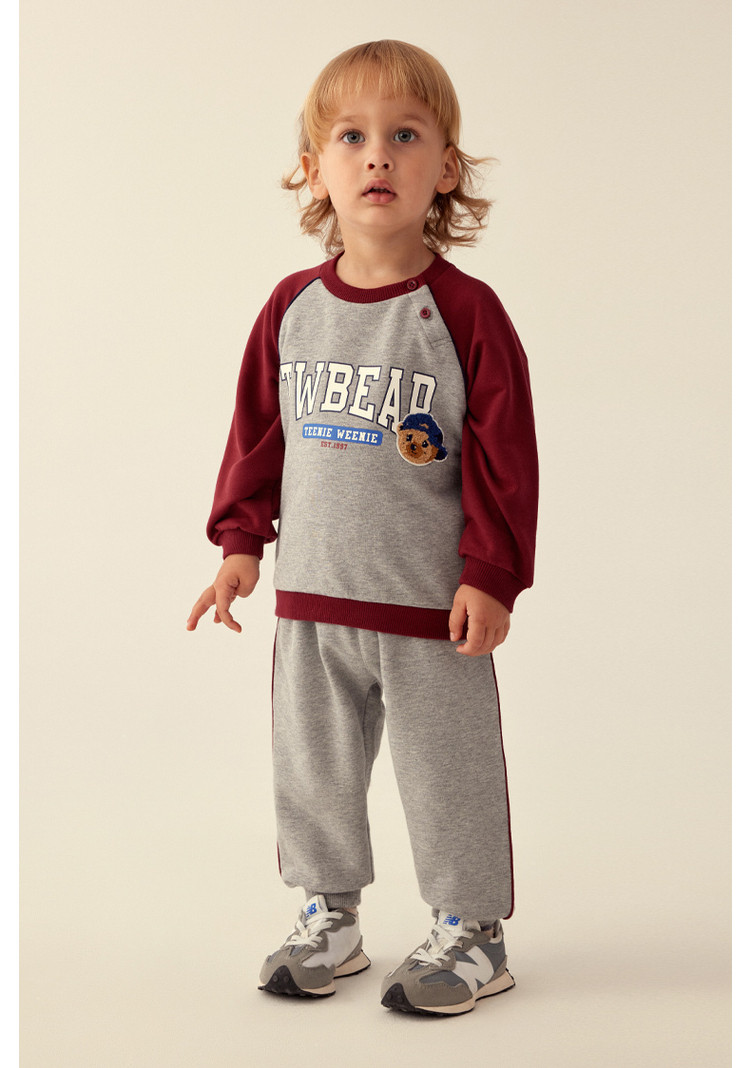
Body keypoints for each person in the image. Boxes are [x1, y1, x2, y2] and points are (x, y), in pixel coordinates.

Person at [187, 39, 538, 1018]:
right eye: (351, 136)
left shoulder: (465, 313)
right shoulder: (292, 309)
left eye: (405, 135)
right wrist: (240, 544)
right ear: (314, 168)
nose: (377, 154)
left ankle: (473, 931)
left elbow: (505, 457)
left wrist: (491, 573)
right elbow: (258, 435)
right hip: (313, 605)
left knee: (448, 776)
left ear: (446, 169)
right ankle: (328, 917)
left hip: (431, 611)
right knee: (314, 774)